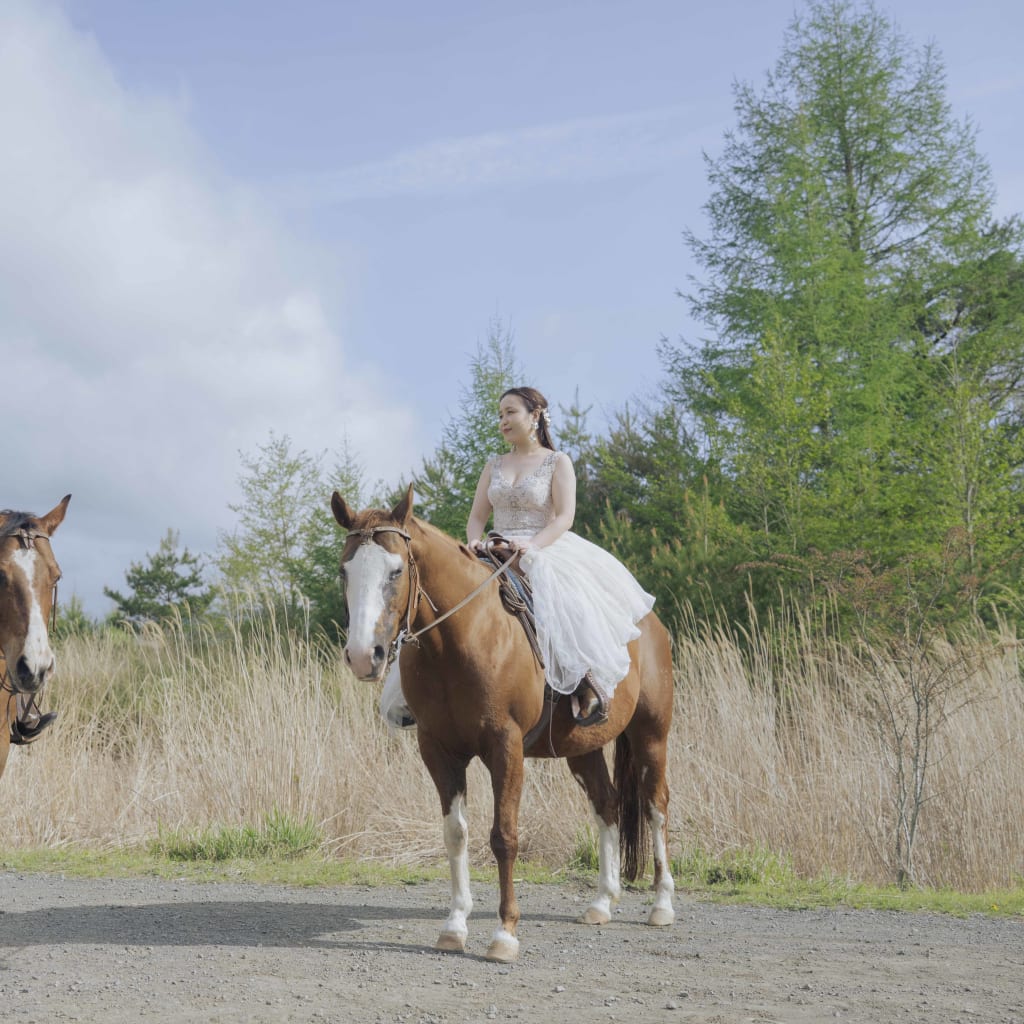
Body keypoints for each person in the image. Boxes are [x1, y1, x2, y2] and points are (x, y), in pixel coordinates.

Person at [464, 386, 655, 725]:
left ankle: (585, 682)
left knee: (567, 601)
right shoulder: (492, 465)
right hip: (494, 549)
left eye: (511, 412)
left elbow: (564, 517)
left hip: (543, 545)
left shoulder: (557, 461)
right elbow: (477, 517)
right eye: (500, 415)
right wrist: (474, 541)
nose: (503, 420)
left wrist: (534, 545)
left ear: (534, 415)